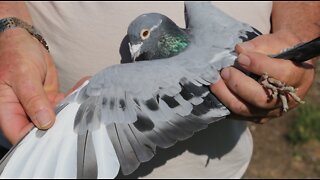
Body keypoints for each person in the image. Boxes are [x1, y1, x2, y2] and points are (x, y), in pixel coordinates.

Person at [0, 1, 318, 178]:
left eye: (146, 36)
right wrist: (7, 30)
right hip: (34, 112)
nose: (135, 53)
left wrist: (298, 40)